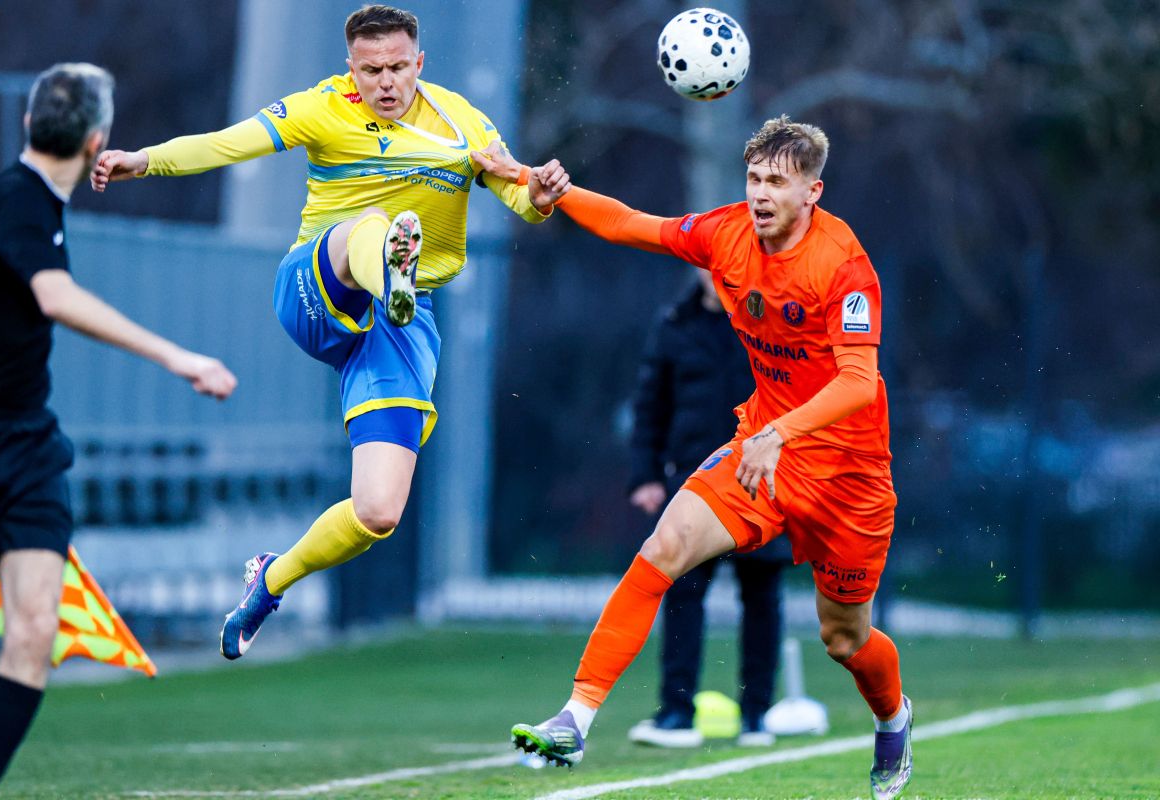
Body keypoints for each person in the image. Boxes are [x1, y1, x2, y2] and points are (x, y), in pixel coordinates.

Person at [91, 5, 569, 659]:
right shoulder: (323, 107)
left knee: (378, 511)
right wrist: (143, 161)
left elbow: (517, 193)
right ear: (351, 68)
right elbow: (228, 143)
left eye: (397, 67)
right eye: (371, 71)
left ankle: (269, 581)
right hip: (317, 287)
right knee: (370, 225)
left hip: (398, 327)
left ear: (419, 63)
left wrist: (538, 195)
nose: (386, 83)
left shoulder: (462, 121)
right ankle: (390, 270)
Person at [504, 116, 913, 800]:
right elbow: (630, 224)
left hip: (850, 477)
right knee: (662, 548)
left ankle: (893, 717)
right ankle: (576, 717)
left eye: (777, 182)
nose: (760, 193)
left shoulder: (844, 265)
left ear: (813, 192)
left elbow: (858, 382)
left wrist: (782, 433)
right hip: (762, 455)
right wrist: (535, 182)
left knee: (844, 639)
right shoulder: (725, 233)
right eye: (754, 178)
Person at [0, 63, 237, 800]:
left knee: (30, 634)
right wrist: (177, 356)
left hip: (29, 452)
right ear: (96, 140)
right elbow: (54, 297)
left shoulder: (34, 203)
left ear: (30, 123)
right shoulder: (15, 201)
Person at [626, 270, 788, 749]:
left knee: (761, 595)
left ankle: (757, 714)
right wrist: (646, 475)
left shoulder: (770, 319)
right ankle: (677, 713)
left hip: (763, 480)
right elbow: (650, 406)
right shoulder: (674, 323)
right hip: (693, 483)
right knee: (682, 592)